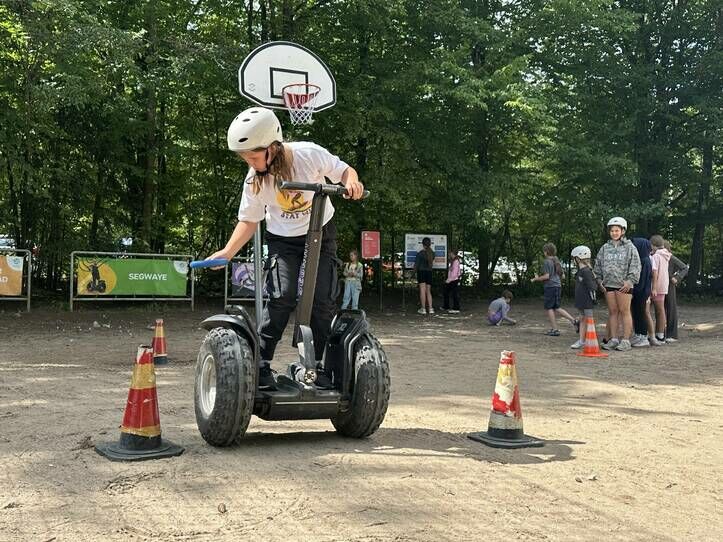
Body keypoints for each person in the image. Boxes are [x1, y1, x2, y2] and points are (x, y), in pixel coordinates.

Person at [204, 107, 365, 388]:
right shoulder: (254, 180)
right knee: (282, 296)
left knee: (322, 299)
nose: (249, 162)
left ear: (273, 147)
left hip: (321, 231)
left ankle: (316, 366)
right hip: (283, 239)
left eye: (254, 156)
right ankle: (261, 364)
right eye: (244, 157)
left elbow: (343, 170)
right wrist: (228, 252)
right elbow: (249, 220)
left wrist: (352, 181)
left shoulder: (308, 154)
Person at [594, 217, 641, 351]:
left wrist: (630, 281)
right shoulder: (605, 248)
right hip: (608, 284)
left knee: (624, 311)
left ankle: (625, 340)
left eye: (617, 230)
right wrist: (599, 281)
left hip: (623, 285)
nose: (614, 233)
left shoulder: (630, 247)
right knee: (612, 312)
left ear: (623, 231)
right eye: (612, 231)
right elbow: (598, 265)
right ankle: (613, 339)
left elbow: (636, 265)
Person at [531, 242, 577, 336]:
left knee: (550, 308)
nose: (543, 253)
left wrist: (536, 279)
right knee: (556, 307)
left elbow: (546, 276)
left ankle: (555, 329)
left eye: (544, 251)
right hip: (557, 286)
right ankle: (574, 321)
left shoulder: (547, 261)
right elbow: (562, 276)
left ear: (546, 252)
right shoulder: (556, 260)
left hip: (550, 287)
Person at [630, 237, 661, 347]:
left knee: (642, 313)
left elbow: (643, 280)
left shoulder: (645, 261)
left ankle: (643, 336)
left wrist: (636, 291)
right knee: (636, 313)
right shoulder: (641, 260)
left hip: (642, 292)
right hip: (639, 291)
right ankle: (638, 334)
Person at [570, 246, 598, 349]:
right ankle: (582, 340)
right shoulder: (581, 271)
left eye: (574, 258)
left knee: (589, 320)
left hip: (587, 301)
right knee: (582, 319)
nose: (573, 260)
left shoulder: (586, 272)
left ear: (578, 258)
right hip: (581, 301)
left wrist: (593, 299)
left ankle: (590, 341)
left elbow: (592, 287)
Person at [663, 240, 689, 342]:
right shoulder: (655, 257)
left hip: (669, 285)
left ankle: (672, 335)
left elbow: (684, 268)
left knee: (671, 308)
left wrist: (677, 277)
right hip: (660, 284)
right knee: (660, 309)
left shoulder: (671, 257)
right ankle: (660, 333)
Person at [650, 234, 672, 343]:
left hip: (657, 285)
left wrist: (653, 287)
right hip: (664, 285)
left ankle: (658, 334)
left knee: (658, 310)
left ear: (653, 245)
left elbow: (655, 272)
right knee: (661, 310)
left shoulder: (656, 256)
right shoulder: (666, 255)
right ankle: (661, 334)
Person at [414, 237, 435, 315]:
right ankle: (431, 308)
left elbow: (416, 265)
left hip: (421, 272)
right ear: (430, 244)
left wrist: (413, 273)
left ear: (423, 244)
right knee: (428, 291)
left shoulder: (420, 254)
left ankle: (423, 309)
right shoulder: (432, 253)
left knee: (422, 290)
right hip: (429, 272)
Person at [442, 249, 461, 313]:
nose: (449, 254)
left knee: (454, 294)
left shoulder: (456, 261)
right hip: (451, 280)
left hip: (454, 280)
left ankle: (456, 308)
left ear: (453, 253)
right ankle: (446, 306)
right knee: (446, 292)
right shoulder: (453, 261)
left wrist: (448, 280)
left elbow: (454, 273)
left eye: (450, 253)